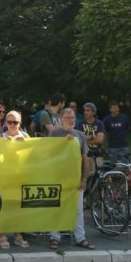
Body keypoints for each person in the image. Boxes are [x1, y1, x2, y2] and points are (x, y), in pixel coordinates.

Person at [48, 108, 94, 251]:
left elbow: (85, 158)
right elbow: (49, 153)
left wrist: (84, 178)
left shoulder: (80, 135)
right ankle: (54, 237)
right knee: (56, 207)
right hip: (58, 177)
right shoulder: (54, 133)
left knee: (78, 209)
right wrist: (63, 142)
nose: (70, 120)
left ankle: (80, 237)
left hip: (75, 178)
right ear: (61, 119)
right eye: (67, 117)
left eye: (73, 117)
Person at [0, 110, 30, 249]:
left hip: (21, 176)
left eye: (15, 122)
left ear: (19, 123)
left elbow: (34, 154)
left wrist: (25, 144)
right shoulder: (1, 137)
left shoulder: (26, 136)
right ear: (6, 123)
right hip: (5, 176)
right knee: (4, 206)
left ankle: (18, 235)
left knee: (19, 207)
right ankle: (2, 235)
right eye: (9, 122)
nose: (12, 125)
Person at [75, 102, 105, 175]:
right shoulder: (80, 124)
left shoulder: (99, 123)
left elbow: (100, 140)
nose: (85, 112)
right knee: (87, 175)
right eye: (85, 110)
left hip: (98, 154)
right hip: (85, 155)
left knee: (99, 175)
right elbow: (78, 139)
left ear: (93, 113)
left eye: (88, 110)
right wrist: (92, 136)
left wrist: (85, 140)